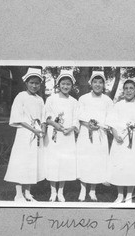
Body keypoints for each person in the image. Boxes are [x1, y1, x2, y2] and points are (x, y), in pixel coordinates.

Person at [106, 78, 135, 203]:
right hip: (120, 139)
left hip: (134, 140)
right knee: (120, 165)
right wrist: (115, 135)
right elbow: (111, 122)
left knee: (131, 166)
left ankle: (129, 196)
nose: (128, 91)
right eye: (126, 88)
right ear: (123, 90)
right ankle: (120, 195)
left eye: (131, 88)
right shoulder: (117, 105)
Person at [4, 67, 45, 202]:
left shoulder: (40, 99)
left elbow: (42, 117)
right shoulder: (21, 96)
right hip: (24, 133)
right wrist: (33, 129)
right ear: (26, 83)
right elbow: (18, 117)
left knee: (32, 162)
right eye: (31, 82)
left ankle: (28, 192)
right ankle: (18, 194)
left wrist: (41, 129)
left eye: (37, 83)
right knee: (21, 161)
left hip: (37, 134)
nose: (34, 85)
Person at [76, 71, 113, 201]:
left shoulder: (107, 100)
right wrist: (88, 124)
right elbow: (79, 117)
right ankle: (82, 189)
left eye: (100, 82)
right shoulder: (83, 98)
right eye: (95, 82)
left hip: (100, 135)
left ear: (103, 84)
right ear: (91, 83)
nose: (97, 84)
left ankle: (92, 190)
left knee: (97, 162)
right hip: (86, 133)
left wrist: (103, 126)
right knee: (85, 160)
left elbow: (110, 119)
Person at [44, 69, 78, 202]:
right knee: (53, 161)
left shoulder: (74, 102)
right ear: (59, 84)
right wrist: (54, 124)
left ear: (71, 86)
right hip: (54, 135)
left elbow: (76, 119)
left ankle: (61, 191)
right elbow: (46, 117)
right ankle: (53, 191)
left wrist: (71, 128)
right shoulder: (51, 99)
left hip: (67, 136)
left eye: (68, 84)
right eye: (63, 84)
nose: (65, 86)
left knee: (64, 162)